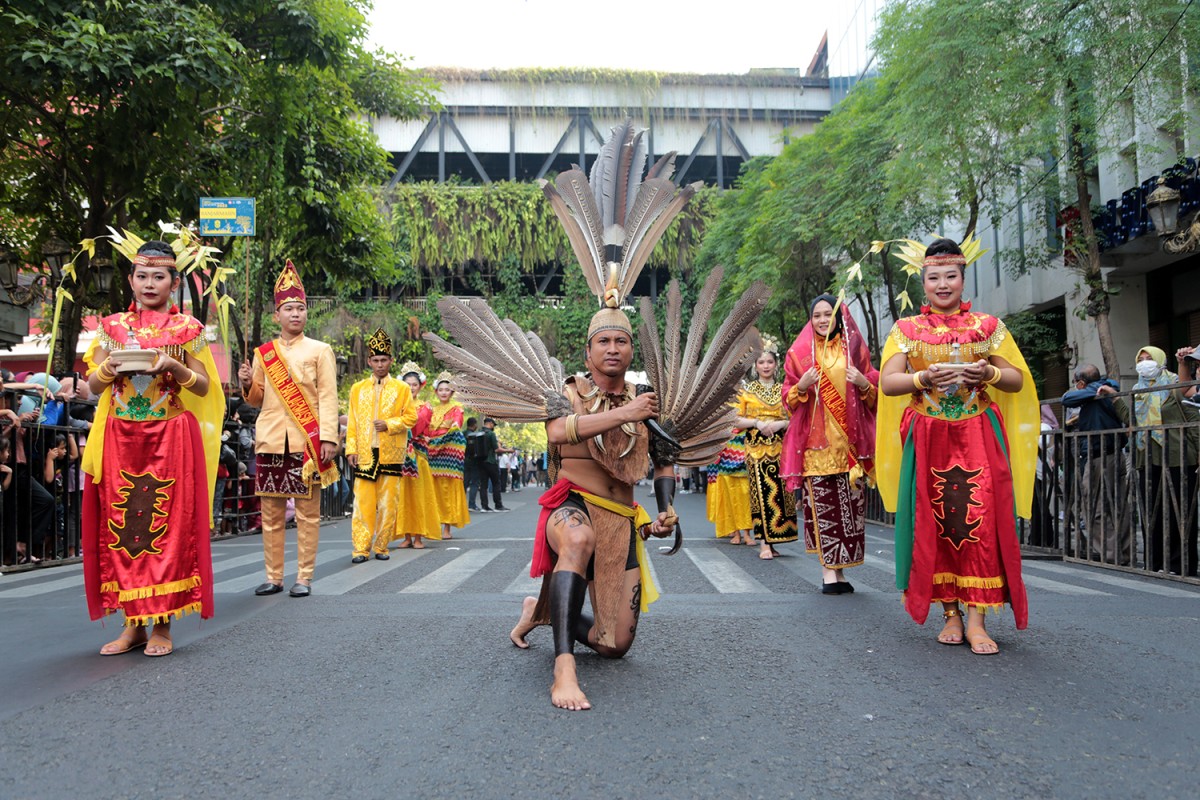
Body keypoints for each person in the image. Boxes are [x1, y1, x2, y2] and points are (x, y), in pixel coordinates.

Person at [507, 307, 676, 711]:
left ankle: (540, 610)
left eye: (621, 341)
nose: (612, 349)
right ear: (588, 353)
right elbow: (557, 432)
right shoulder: (565, 391)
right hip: (572, 503)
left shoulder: (647, 400)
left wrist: (666, 508)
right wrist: (625, 414)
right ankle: (563, 669)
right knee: (579, 538)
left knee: (615, 644)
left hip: (621, 519)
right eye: (603, 341)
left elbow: (666, 456)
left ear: (631, 350)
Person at [876, 238, 1038, 655]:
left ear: (964, 279)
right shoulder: (907, 330)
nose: (943, 284)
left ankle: (978, 618)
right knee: (936, 523)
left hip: (978, 433)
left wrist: (988, 374)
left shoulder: (987, 327)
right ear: (923, 282)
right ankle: (950, 613)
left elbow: (1017, 379)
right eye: (934, 277)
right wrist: (923, 379)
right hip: (929, 436)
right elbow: (887, 382)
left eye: (951, 276)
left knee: (981, 521)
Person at [82, 240, 223, 657]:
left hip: (169, 437)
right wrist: (105, 369)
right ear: (130, 280)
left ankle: (161, 624)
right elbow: (92, 386)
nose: (149, 283)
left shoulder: (187, 331)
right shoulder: (112, 328)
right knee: (124, 528)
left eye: (158, 276)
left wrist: (176, 367)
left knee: (164, 527)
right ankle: (133, 624)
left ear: (173, 282)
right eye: (141, 276)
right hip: (120, 438)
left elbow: (204, 386)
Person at [237, 260, 339, 598]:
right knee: (270, 513)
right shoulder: (263, 353)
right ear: (276, 315)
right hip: (269, 440)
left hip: (306, 441)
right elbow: (256, 400)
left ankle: (304, 577)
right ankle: (274, 576)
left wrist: (327, 438)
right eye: (289, 309)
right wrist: (247, 383)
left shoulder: (320, 350)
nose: (295, 314)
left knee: (308, 514)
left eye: (300, 309)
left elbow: (327, 396)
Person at [782, 294, 878, 594]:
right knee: (823, 508)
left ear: (839, 317)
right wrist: (802, 386)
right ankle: (827, 573)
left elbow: (874, 389)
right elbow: (788, 398)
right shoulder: (800, 353)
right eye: (817, 315)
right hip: (816, 447)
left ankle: (840, 569)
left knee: (850, 509)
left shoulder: (853, 349)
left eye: (828, 314)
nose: (823, 320)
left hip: (850, 446)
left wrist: (863, 383)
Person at [1113, 346, 1199, 575]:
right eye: (1140, 359)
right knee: (1152, 511)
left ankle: (1181, 565)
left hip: (1178, 455)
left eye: (1149, 358)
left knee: (1180, 512)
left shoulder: (1174, 382)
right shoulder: (1137, 388)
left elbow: (1189, 409)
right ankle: (1155, 562)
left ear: (1160, 360)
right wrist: (1114, 401)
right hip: (1146, 456)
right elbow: (1132, 421)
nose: (1144, 363)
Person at [344, 328, 417, 563]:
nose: (380, 364)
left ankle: (382, 546)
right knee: (362, 502)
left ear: (391, 360)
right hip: (365, 452)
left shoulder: (402, 388)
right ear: (369, 361)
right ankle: (360, 548)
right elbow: (353, 420)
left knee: (388, 503)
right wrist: (351, 448)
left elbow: (410, 418)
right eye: (375, 360)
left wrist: (389, 424)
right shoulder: (358, 389)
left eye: (384, 360)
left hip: (391, 453)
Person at [1061, 364, 1131, 566]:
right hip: (1113, 452)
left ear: (1082, 382)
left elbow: (1066, 399)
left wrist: (1091, 390)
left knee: (1096, 504)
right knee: (1118, 504)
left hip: (1099, 454)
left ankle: (1108, 554)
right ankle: (1123, 553)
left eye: (1077, 384)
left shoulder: (1100, 391)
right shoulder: (1109, 389)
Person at [732, 350, 797, 560]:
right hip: (756, 450)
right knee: (761, 493)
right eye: (762, 362)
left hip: (781, 448)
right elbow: (734, 420)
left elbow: (796, 419)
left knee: (781, 494)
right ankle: (764, 543)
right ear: (756, 365)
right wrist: (756, 423)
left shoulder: (784, 390)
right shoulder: (746, 391)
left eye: (770, 361)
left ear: (776, 364)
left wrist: (782, 423)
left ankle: (776, 539)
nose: (766, 366)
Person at [395, 362, 440, 548]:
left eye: (414, 384)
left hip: (418, 456)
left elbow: (416, 427)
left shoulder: (425, 407)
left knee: (419, 495)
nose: (411, 388)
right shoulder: (396, 405)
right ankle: (406, 536)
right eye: (408, 384)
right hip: (400, 455)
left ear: (420, 386)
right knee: (403, 496)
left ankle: (419, 536)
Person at [425, 372, 470, 539]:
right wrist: (427, 438)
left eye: (447, 390)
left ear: (452, 393)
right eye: (441, 389)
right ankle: (432, 525)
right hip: (431, 453)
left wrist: (438, 441)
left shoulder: (457, 409)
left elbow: (455, 427)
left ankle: (447, 528)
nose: (444, 392)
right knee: (432, 489)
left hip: (448, 454)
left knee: (447, 490)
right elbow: (424, 428)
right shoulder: (430, 409)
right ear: (436, 391)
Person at [706, 426, 753, 545]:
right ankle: (736, 532)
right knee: (730, 501)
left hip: (745, 467)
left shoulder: (748, 425)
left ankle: (747, 534)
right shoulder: (723, 427)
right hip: (725, 467)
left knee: (746, 501)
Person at [479, 417, 509, 512]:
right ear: (490, 423)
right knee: (496, 483)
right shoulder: (491, 434)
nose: (493, 426)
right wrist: (509, 450)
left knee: (483, 485)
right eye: (493, 424)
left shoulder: (478, 433)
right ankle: (498, 505)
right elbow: (496, 449)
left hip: (481, 462)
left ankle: (484, 506)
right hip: (491, 461)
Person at [463, 416, 485, 511]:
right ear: (474, 425)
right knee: (474, 483)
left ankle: (460, 504)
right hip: (474, 462)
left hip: (464, 461)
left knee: (465, 482)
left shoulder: (462, 434)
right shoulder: (475, 436)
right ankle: (471, 504)